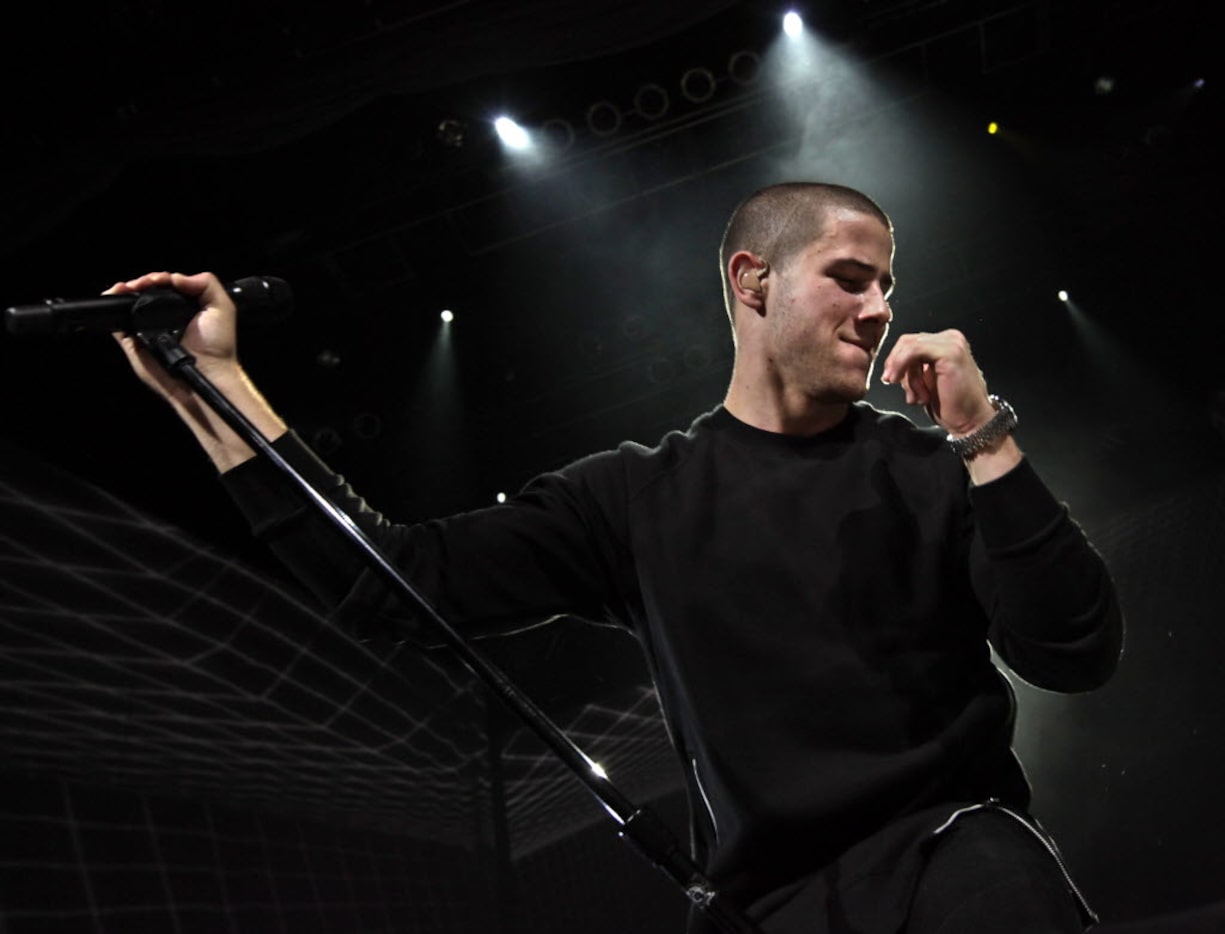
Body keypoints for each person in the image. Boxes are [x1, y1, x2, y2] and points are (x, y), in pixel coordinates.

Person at [111, 182, 1123, 933]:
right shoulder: (636, 495)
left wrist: (984, 435)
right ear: (754, 280)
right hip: (766, 909)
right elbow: (398, 586)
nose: (877, 310)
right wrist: (213, 383)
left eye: (885, 288)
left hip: (958, 873)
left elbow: (1072, 648)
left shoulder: (931, 466)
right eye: (848, 279)